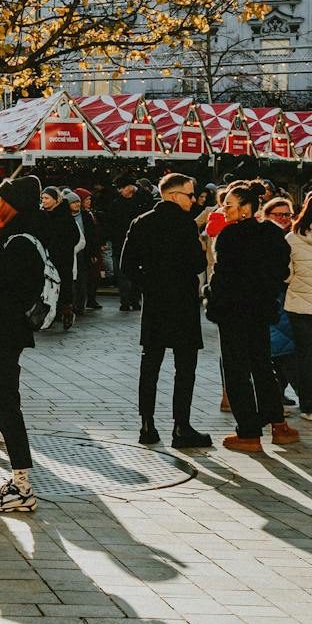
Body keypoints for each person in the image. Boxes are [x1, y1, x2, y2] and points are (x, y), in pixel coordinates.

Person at [0, 177, 53, 514]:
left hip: (5, 332)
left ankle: (22, 485)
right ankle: (19, 482)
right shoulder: (24, 237)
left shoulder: (18, 242)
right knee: (5, 404)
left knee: (7, 406)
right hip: (5, 331)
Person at [118, 173, 211, 449]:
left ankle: (147, 424)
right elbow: (197, 263)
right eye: (190, 194)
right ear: (173, 195)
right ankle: (181, 426)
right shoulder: (185, 224)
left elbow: (126, 265)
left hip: (155, 303)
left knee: (150, 364)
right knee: (185, 367)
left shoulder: (141, 222)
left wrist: (149, 284)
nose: (194, 199)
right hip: (182, 302)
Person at [207, 180, 298, 453]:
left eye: (229, 205)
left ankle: (249, 432)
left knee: (237, 370)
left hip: (233, 311)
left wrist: (212, 294)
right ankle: (278, 425)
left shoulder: (230, 236)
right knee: (262, 365)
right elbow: (281, 271)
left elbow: (222, 277)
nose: (225, 209)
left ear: (245, 208)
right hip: (260, 309)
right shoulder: (271, 234)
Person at [103, 179, 153, 310]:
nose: (120, 191)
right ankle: (125, 301)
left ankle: (135, 300)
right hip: (120, 242)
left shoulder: (140, 200)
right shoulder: (115, 203)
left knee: (135, 272)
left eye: (123, 187)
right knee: (122, 273)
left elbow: (148, 199)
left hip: (137, 242)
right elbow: (110, 223)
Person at [284, 196, 312, 417]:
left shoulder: (292, 238)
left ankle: (308, 404)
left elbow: (286, 275)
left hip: (299, 307)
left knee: (304, 355)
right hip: (300, 305)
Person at [37, 186, 80, 330]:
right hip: (46, 256)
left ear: (56, 200)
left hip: (62, 257)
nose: (44, 201)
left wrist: (61, 247)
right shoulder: (42, 215)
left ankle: (66, 312)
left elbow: (75, 236)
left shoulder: (64, 216)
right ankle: (48, 313)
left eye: (47, 198)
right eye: (42, 198)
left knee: (63, 285)